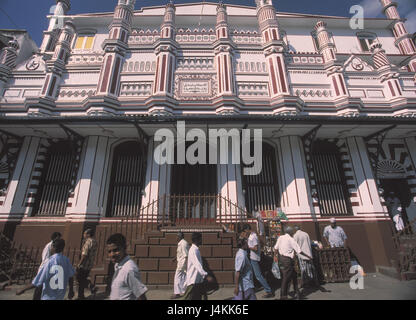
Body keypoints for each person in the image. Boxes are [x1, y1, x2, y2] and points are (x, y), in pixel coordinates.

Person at [274, 226, 313, 300]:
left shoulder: (281, 237)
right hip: (288, 260)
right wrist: (308, 256)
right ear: (291, 232)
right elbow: (299, 251)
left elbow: (275, 248)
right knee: (286, 278)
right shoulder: (291, 239)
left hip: (281, 259)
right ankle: (283, 296)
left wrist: (275, 257)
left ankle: (297, 292)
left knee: (294, 275)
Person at [107, 233, 148, 300]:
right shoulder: (118, 265)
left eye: (116, 250)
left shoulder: (129, 270)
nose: (112, 254)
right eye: (109, 251)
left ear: (125, 248)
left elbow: (141, 296)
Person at [242, 224, 274, 298]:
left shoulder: (253, 237)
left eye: (245, 231)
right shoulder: (252, 236)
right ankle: (253, 287)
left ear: (247, 229)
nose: (245, 232)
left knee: (258, 275)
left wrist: (249, 247)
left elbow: (255, 248)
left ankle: (268, 290)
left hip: (254, 258)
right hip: (253, 257)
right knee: (251, 273)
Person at [182, 232, 214, 300]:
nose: (202, 240)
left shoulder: (196, 249)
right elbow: (197, 265)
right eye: (201, 239)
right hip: (193, 281)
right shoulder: (193, 250)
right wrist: (206, 275)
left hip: (198, 280)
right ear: (197, 240)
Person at [32, 232, 62, 300]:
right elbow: (45, 259)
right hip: (45, 269)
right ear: (55, 237)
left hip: (49, 269)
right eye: (59, 237)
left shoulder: (56, 246)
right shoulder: (50, 246)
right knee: (39, 288)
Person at [76, 228, 98, 299]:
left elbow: (84, 254)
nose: (84, 235)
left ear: (88, 234)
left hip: (84, 264)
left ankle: (90, 286)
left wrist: (79, 264)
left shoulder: (88, 242)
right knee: (83, 278)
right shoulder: (94, 241)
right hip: (90, 264)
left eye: (85, 233)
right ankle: (81, 295)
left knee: (79, 279)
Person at [171, 232, 189, 299]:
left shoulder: (183, 243)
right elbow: (180, 253)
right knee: (183, 277)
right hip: (181, 263)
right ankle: (184, 291)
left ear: (180, 236)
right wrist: (175, 258)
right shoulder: (181, 243)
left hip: (182, 264)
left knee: (177, 277)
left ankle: (177, 293)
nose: (176, 238)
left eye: (177, 236)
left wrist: (185, 265)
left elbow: (186, 255)